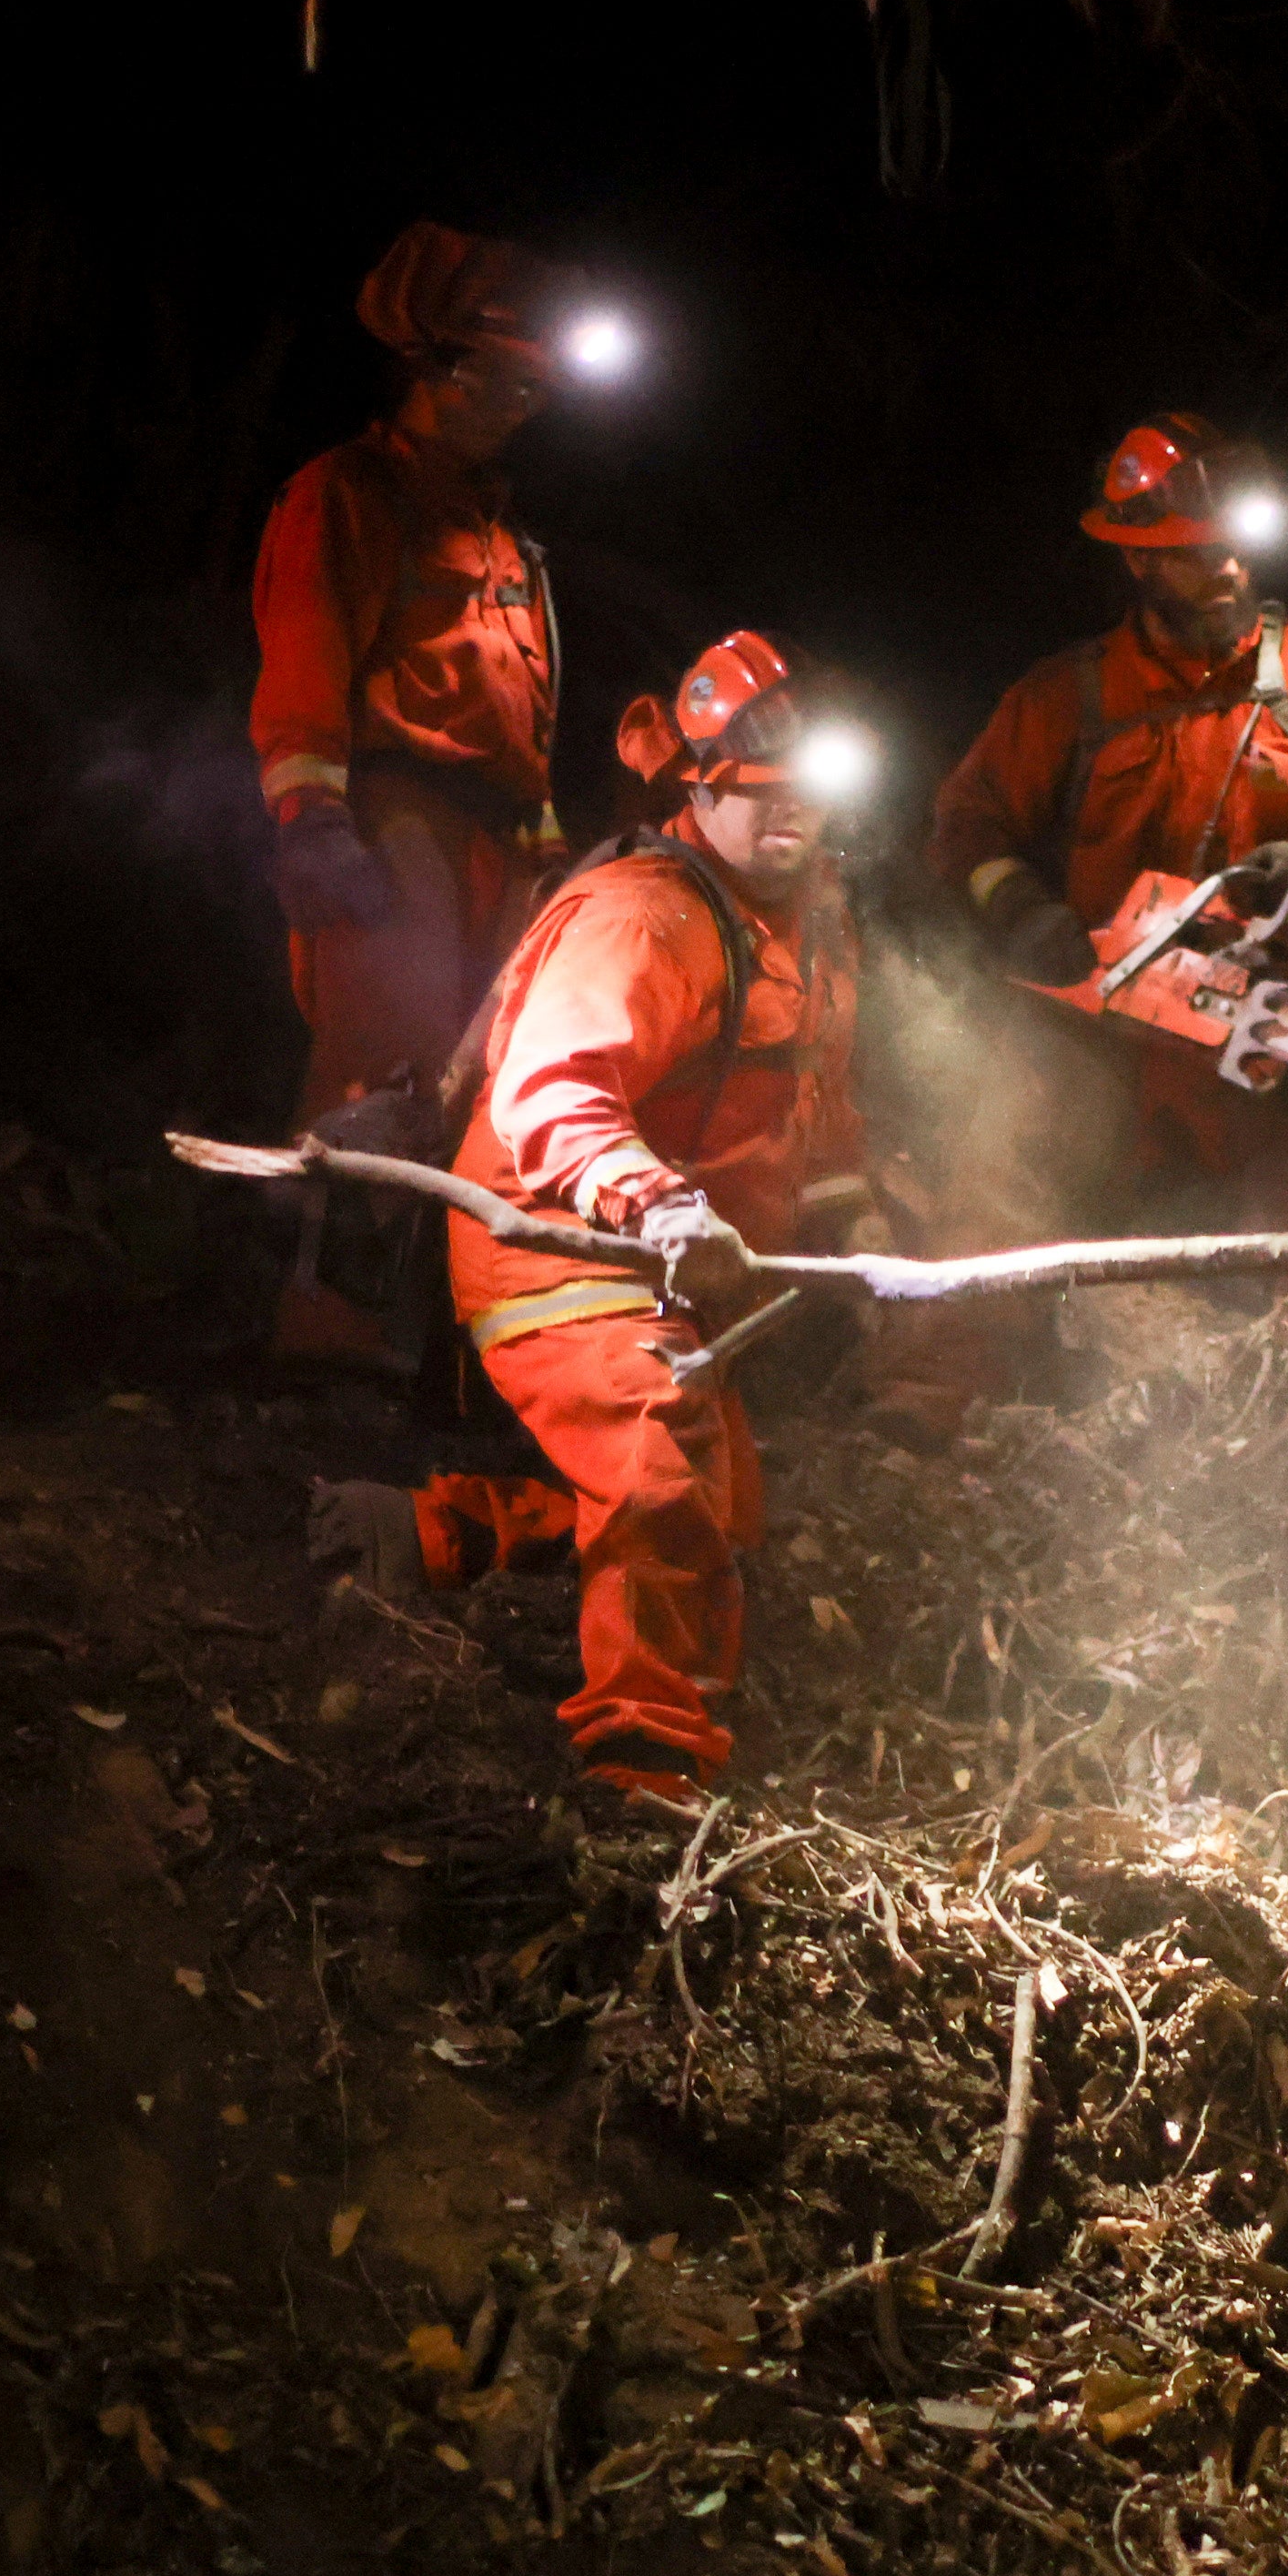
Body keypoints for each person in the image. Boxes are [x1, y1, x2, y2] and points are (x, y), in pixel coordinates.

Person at [311, 635, 875, 1806]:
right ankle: (644, 1775)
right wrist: (661, 1204)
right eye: (756, 797)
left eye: (807, 799)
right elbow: (550, 1097)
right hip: (550, 1241)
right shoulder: (641, 915)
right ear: (697, 788)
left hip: (680, 1259)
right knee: (659, 1471)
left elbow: (818, 1101)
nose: (789, 821)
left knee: (722, 1525)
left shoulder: (813, 922)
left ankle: (431, 1535)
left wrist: (842, 1236)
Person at [880, 417, 1288, 1433]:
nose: (1222, 569)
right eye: (1191, 555)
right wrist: (1024, 914)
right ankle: (937, 1392)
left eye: (1231, 546)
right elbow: (963, 825)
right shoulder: (1068, 695)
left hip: (1266, 1010)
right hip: (1100, 1013)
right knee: (1007, 1155)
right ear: (1137, 560)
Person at [248, 221, 589, 1361]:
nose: (519, 401)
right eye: (498, 375)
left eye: (535, 384)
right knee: (377, 1080)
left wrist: (548, 866)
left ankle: (428, 1344)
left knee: (473, 1096)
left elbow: (526, 729)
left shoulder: (507, 542)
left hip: (498, 850)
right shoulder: (345, 495)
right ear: (432, 366)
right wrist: (312, 817)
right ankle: (322, 1344)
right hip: (396, 826)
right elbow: (304, 660)